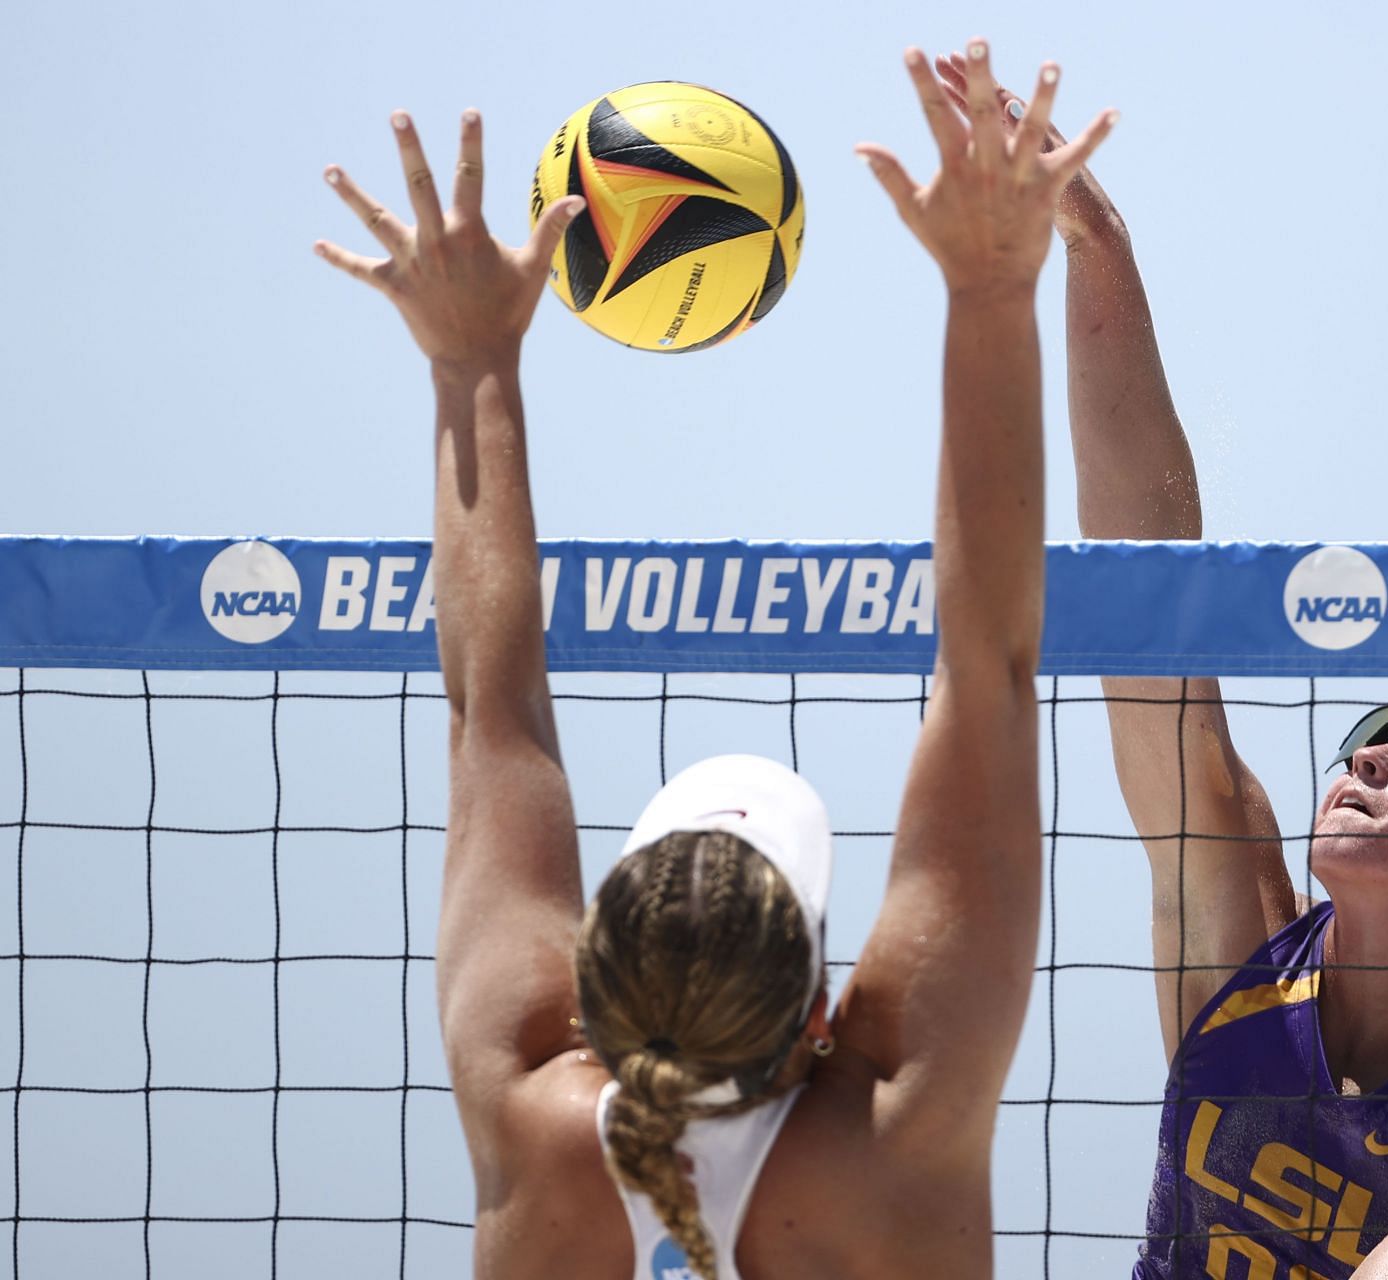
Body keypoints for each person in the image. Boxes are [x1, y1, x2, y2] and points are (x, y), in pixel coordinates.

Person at [314, 43, 1115, 1280]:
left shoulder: (535, 1131)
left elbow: (491, 711)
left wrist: (473, 363)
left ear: (580, 993)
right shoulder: (895, 1147)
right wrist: (995, 284)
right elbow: (991, 667)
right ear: (823, 1013)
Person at [931, 56, 1388, 1280]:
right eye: (1374, 723)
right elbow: (1151, 601)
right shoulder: (1241, 926)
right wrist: (1095, 245)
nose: (1365, 750)